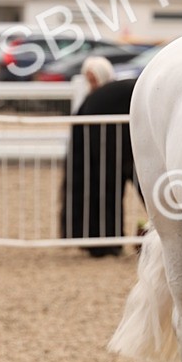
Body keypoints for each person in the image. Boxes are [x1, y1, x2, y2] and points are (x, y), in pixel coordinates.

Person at [60, 58, 137, 257]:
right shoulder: (94, 101)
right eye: (90, 81)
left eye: (94, 80)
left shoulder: (100, 101)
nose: (92, 85)